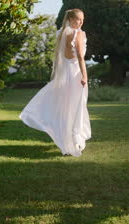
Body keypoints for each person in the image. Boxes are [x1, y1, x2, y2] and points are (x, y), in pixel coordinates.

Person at [19, 9, 91, 157]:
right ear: (70, 19)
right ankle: (74, 140)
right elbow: (80, 58)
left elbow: (61, 58)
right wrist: (84, 75)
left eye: (82, 19)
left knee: (66, 108)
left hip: (65, 76)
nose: (81, 22)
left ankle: (68, 141)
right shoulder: (78, 34)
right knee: (76, 108)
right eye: (78, 19)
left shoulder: (61, 33)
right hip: (75, 75)